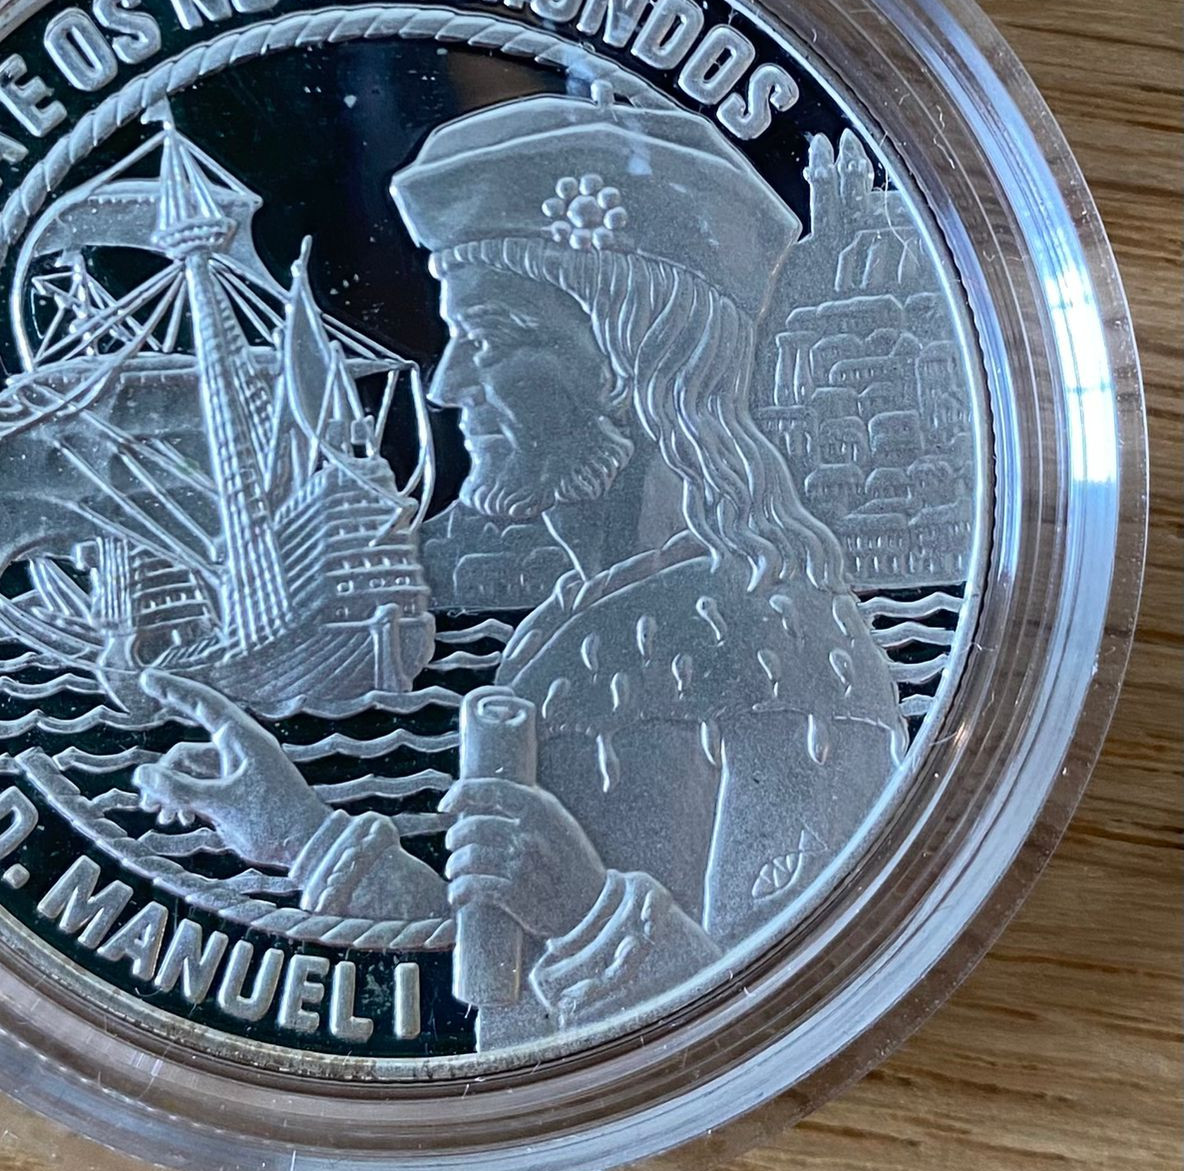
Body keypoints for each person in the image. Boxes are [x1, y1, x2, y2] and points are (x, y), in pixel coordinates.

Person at [135, 87, 906, 1049]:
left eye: (492, 337)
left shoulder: (782, 649)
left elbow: (783, 1027)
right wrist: (299, 831)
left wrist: (585, 912)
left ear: (627, 357)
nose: (448, 383)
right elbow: (501, 987)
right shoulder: (566, 627)